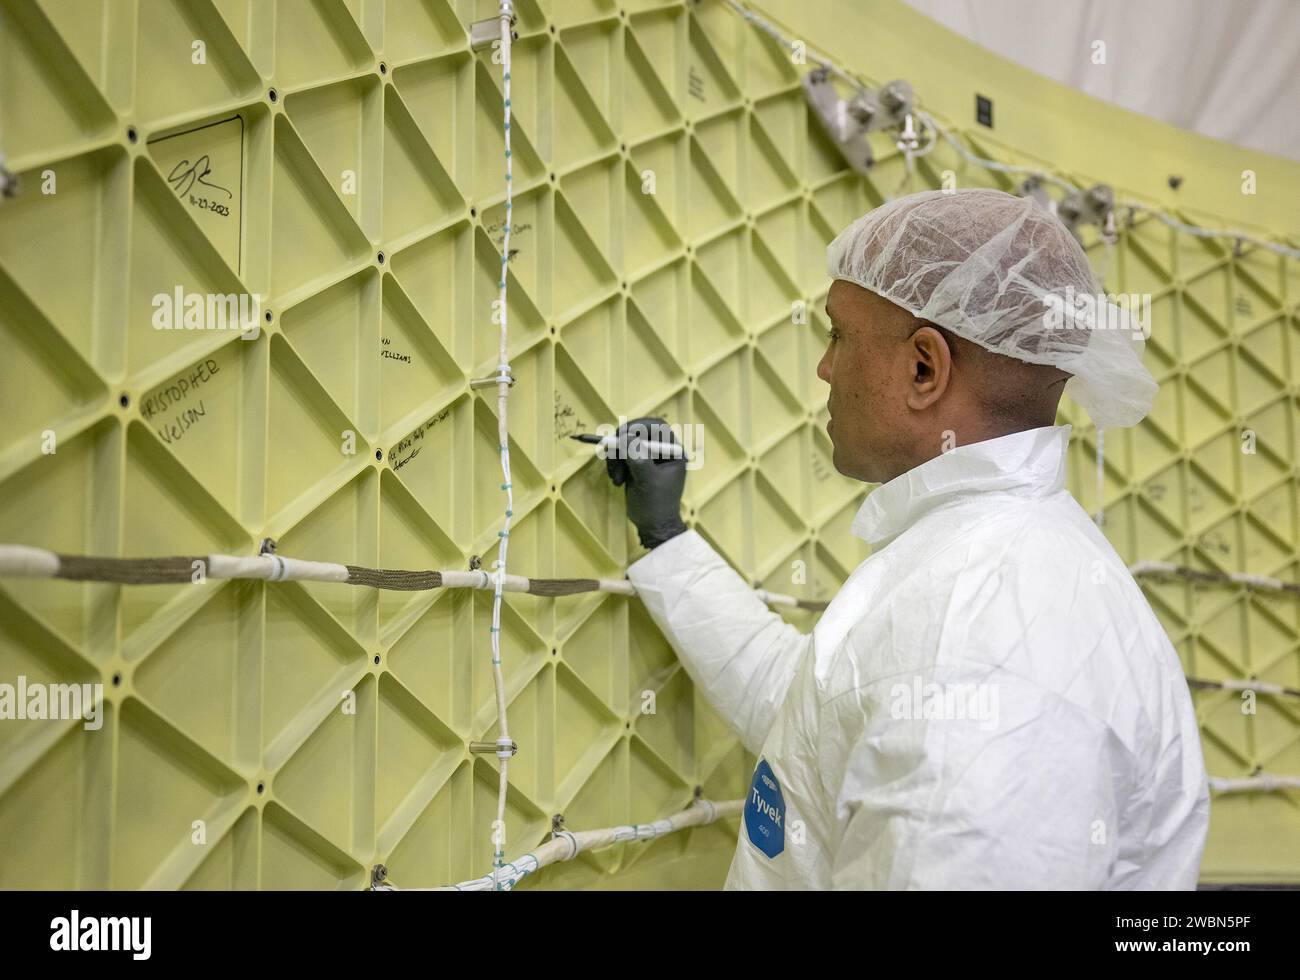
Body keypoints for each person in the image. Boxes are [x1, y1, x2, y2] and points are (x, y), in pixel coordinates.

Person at [607, 188, 1210, 889]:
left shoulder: (981, 638)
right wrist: (667, 539)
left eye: (837, 334)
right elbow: (817, 718)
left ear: (925, 368)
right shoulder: (989, 561)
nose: (824, 368)